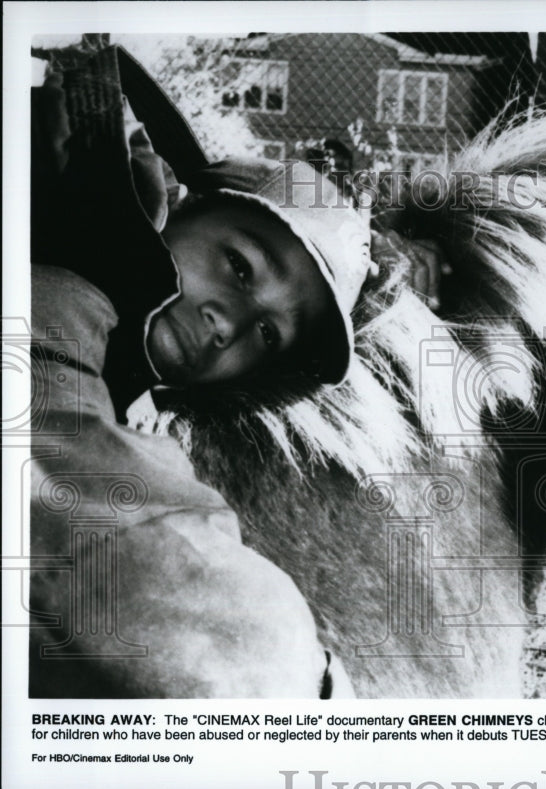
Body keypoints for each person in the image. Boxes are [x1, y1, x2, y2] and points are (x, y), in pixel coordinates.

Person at [28, 41, 442, 697]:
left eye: (268, 333)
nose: (229, 324)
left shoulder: (133, 412)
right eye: (240, 265)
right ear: (182, 205)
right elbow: (158, 594)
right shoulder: (46, 279)